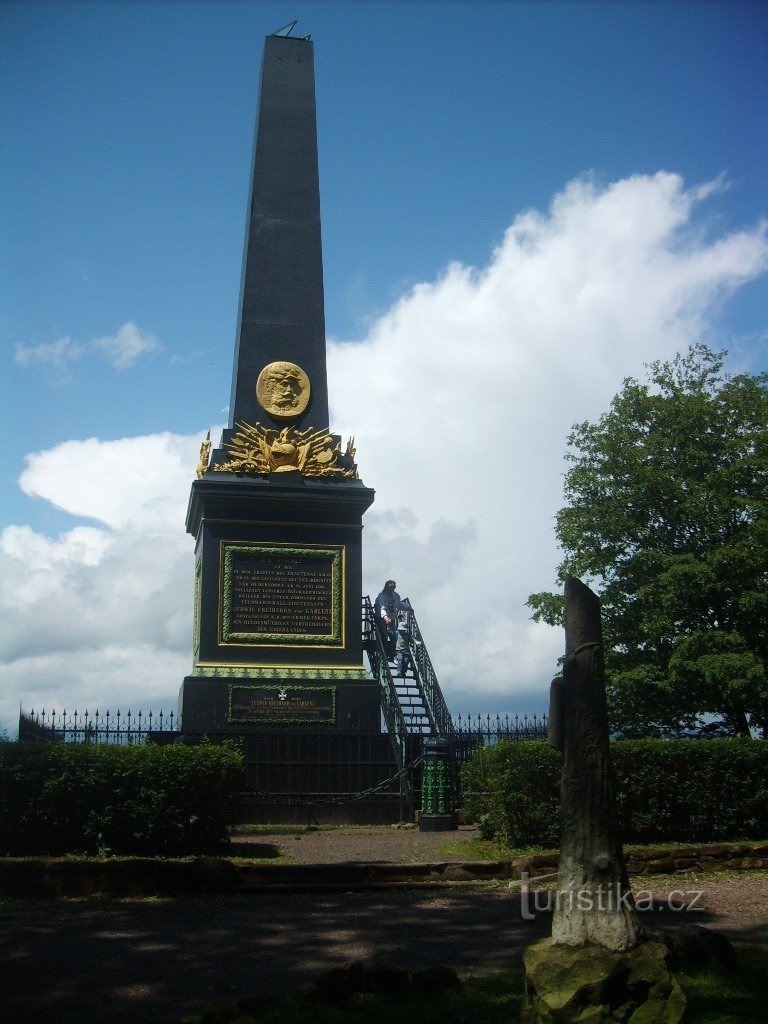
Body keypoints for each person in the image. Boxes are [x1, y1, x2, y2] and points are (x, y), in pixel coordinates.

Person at [374, 579, 401, 659]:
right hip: (381, 619)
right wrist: (386, 618)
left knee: (394, 637)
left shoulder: (395, 596)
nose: (392, 590)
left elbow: (399, 604)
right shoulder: (381, 596)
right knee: (384, 635)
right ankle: (384, 652)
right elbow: (382, 609)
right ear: (386, 588)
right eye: (390, 588)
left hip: (391, 619)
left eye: (393, 588)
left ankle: (392, 655)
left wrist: (408, 608)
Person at [395, 612, 422, 677]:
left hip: (406, 651)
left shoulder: (407, 635)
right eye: (401, 630)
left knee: (406, 661)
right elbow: (391, 635)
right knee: (400, 660)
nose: (402, 631)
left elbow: (412, 639)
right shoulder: (396, 633)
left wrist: (417, 642)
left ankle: (403, 672)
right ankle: (399, 671)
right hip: (399, 650)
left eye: (403, 630)